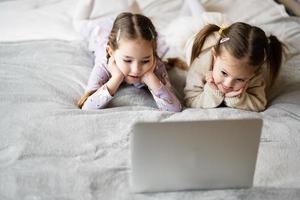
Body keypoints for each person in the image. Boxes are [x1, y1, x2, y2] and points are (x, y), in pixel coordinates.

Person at [73, 0, 182, 112]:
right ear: (111, 53)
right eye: (127, 60)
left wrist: (152, 80)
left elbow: (174, 108)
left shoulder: (155, 64)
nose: (136, 70)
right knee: (79, 23)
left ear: (153, 54)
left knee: (137, 18)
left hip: (129, 31)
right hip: (102, 31)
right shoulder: (104, 64)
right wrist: (116, 78)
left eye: (145, 61)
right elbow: (87, 107)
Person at [184, 22, 284, 112]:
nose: (228, 85)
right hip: (196, 43)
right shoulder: (202, 61)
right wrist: (212, 92)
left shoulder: (255, 72)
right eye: (224, 73)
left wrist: (238, 99)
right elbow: (190, 100)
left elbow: (259, 104)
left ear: (254, 74)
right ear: (214, 56)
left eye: (240, 79)